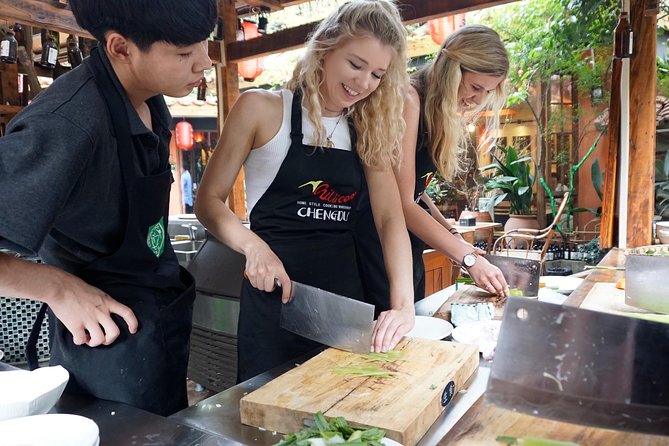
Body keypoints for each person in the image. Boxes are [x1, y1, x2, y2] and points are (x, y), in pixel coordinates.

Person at [0, 0, 216, 415]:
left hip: (154, 324)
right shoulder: (66, 123)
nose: (204, 62)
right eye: (185, 53)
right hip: (103, 348)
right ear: (120, 48)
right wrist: (56, 287)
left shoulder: (150, 97)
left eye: (204, 44)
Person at [196, 0, 415, 382]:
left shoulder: (367, 128)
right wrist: (254, 247)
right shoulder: (261, 109)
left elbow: (390, 218)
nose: (363, 83)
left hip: (344, 305)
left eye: (378, 74)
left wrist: (403, 305)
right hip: (274, 299)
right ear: (326, 48)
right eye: (355, 64)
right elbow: (208, 201)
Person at [355, 25, 510, 313]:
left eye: (487, 91)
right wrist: (468, 258)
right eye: (475, 87)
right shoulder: (409, 99)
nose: (478, 99)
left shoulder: (435, 109)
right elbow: (401, 203)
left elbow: (417, 192)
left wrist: (453, 235)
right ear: (452, 68)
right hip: (376, 240)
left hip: (406, 244)